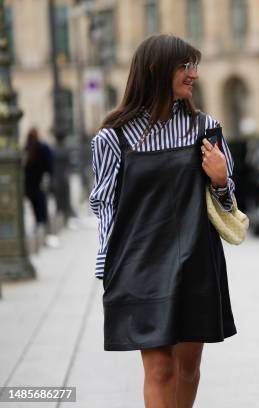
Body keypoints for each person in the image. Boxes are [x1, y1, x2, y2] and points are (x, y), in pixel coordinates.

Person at [89, 34, 236, 407]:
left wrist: (221, 180)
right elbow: (104, 205)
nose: (195, 75)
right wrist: (107, 265)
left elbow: (226, 204)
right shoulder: (112, 137)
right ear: (157, 70)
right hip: (139, 264)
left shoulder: (205, 128)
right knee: (159, 370)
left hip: (195, 261)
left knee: (188, 368)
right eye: (186, 67)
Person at [24, 127, 59, 247]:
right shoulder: (42, 147)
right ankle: (43, 236)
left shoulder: (27, 149)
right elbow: (50, 166)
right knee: (43, 211)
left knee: (36, 211)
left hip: (30, 187)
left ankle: (40, 233)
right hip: (40, 185)